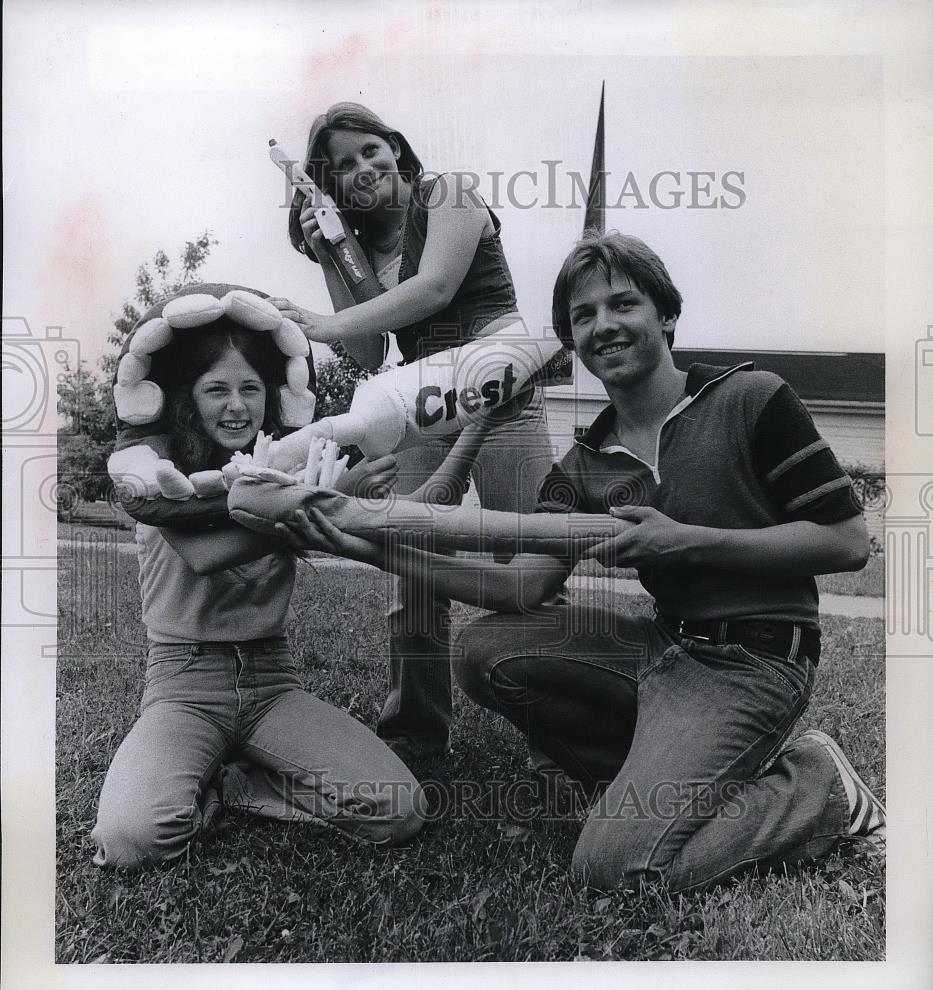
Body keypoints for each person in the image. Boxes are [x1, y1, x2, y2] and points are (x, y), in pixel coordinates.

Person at [283, 231, 886, 893]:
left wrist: (682, 539)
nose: (603, 325)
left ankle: (817, 783)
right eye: (582, 316)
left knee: (613, 866)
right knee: (485, 647)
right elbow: (520, 587)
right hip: (665, 648)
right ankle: (643, 779)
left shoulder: (750, 400)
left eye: (621, 304)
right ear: (569, 342)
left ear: (665, 312)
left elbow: (845, 542)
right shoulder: (584, 463)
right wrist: (367, 545)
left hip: (756, 661)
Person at [269, 102, 558, 767]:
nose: (362, 167)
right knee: (412, 571)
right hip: (425, 404)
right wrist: (328, 253)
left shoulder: (448, 193)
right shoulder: (361, 246)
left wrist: (319, 323)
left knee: (529, 555)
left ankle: (555, 737)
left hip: (498, 391)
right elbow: (371, 352)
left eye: (369, 150)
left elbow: (434, 290)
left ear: (396, 148)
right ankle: (415, 737)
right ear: (332, 186)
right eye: (342, 165)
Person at [91, 297, 426, 868]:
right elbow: (206, 553)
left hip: (271, 679)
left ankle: (238, 785)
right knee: (131, 840)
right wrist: (321, 504)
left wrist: (351, 497)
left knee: (400, 810)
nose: (237, 405)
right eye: (216, 389)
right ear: (187, 401)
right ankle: (205, 774)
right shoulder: (158, 478)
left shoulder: (288, 469)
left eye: (251, 388)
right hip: (183, 683)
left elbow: (369, 534)